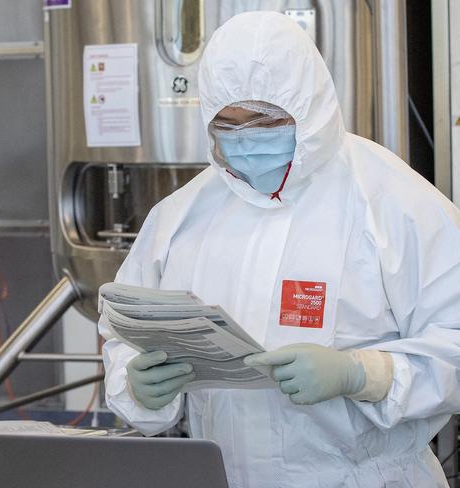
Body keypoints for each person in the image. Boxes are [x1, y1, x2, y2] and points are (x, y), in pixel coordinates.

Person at [98, 10, 460, 488]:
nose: (246, 139)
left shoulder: (395, 203)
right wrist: (137, 385)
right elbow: (125, 328)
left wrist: (361, 373)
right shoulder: (181, 216)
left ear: (310, 107)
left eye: (265, 120)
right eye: (228, 123)